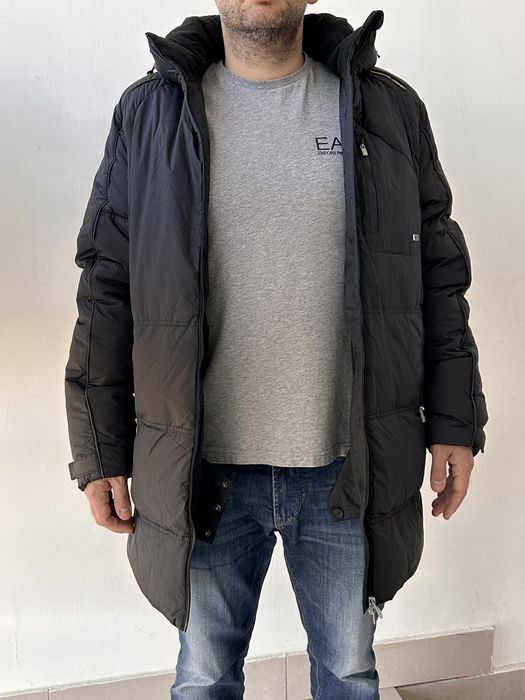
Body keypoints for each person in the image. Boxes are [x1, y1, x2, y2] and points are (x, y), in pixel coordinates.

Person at [64, 2, 489, 699]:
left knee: (348, 674)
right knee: (204, 678)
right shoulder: (150, 114)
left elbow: (438, 279)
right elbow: (106, 287)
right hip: (201, 472)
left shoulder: (387, 111)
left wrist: (454, 421)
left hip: (346, 469)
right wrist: (99, 450)